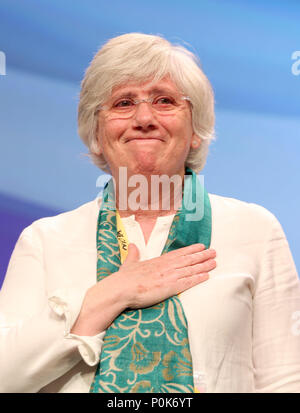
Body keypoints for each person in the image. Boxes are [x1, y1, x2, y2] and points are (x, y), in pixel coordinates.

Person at [0, 33, 300, 393]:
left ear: (195, 131)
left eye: (164, 101)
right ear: (97, 132)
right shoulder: (45, 240)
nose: (144, 118)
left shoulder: (255, 229)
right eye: (124, 103)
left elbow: (286, 381)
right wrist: (109, 295)